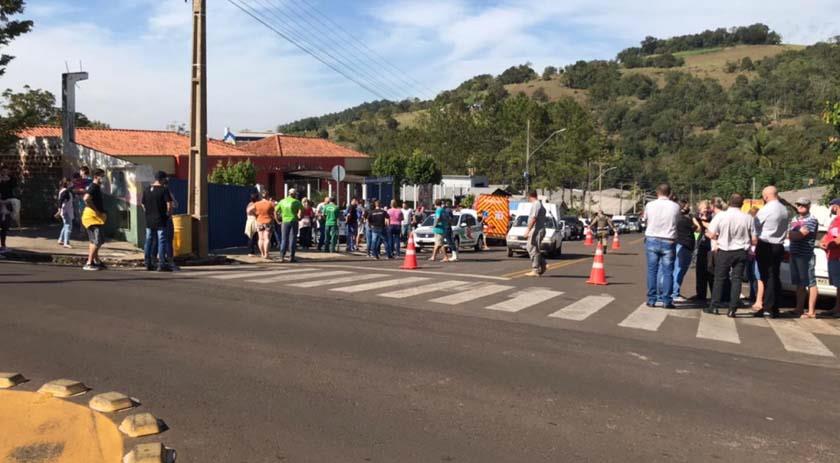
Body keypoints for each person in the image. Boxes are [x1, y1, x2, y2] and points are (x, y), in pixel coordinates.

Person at [706, 193, 757, 317]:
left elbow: (711, 234)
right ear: (742, 203)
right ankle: (732, 308)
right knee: (737, 279)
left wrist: (716, 236)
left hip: (724, 250)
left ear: (729, 202)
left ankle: (715, 306)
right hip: (741, 251)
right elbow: (754, 239)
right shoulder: (748, 217)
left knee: (719, 278)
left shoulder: (721, 216)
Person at [754, 186, 789, 318]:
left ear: (766, 196)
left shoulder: (767, 208)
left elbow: (756, 224)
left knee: (767, 277)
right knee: (774, 275)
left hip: (766, 244)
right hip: (778, 245)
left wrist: (757, 235)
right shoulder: (784, 209)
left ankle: (767, 307)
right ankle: (774, 306)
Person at [643, 183, 680, 308]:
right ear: (669, 193)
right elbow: (677, 221)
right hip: (668, 240)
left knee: (652, 271)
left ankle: (652, 299)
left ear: (657, 192)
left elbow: (645, 219)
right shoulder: (676, 206)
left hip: (652, 238)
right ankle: (667, 300)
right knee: (668, 271)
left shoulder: (649, 205)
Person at [788, 198, 819, 318]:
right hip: (795, 254)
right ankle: (799, 308)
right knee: (799, 283)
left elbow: (800, 235)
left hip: (805, 256)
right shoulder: (794, 218)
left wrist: (794, 234)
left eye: (803, 205)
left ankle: (811, 311)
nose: (800, 206)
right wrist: (794, 234)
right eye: (798, 204)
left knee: (811, 282)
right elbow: (790, 234)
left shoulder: (812, 220)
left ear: (809, 206)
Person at [141, 171, 174, 271]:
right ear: (162, 179)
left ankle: (147, 262)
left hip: (149, 220)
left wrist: (148, 212)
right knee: (161, 240)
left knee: (148, 240)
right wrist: (168, 214)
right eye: (165, 178)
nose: (166, 180)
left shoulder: (146, 190)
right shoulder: (164, 190)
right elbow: (169, 204)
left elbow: (143, 204)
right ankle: (161, 263)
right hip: (161, 219)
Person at [81, 168, 107, 271]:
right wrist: (96, 210)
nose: (104, 179)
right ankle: (89, 262)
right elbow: (86, 198)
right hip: (92, 218)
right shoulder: (94, 187)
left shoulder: (96, 187)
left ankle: (96, 261)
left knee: (96, 241)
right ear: (96, 177)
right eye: (102, 176)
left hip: (94, 218)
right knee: (96, 241)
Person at [671, 199, 697, 303]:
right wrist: (694, 219)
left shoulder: (677, 218)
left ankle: (673, 292)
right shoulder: (685, 220)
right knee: (679, 270)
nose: (689, 208)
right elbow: (697, 227)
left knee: (677, 270)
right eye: (687, 206)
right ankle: (674, 293)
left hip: (682, 245)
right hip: (683, 246)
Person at [820, 198, 840, 317]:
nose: (830, 209)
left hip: (838, 256)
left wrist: (829, 244)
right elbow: (828, 235)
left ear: (835, 206)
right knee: (838, 285)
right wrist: (823, 242)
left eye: (831, 206)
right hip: (832, 256)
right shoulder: (834, 220)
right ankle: (837, 307)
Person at [524, 191, 547, 277]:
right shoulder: (539, 204)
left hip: (536, 229)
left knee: (532, 248)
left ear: (529, 196)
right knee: (533, 248)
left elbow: (534, 218)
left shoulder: (536, 204)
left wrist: (528, 230)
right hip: (538, 229)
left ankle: (536, 269)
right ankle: (543, 264)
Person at [277, 189, 302, 263]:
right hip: (294, 220)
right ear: (294, 194)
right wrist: (299, 217)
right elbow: (301, 211)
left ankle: (282, 256)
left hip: (285, 221)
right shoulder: (296, 201)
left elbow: (276, 211)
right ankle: (292, 257)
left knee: (284, 239)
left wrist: (277, 220)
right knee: (293, 239)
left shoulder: (282, 201)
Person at [746, 206, 764, 308]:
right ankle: (752, 295)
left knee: (755, 276)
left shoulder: (758, 226)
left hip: (755, 253)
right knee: (751, 275)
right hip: (750, 253)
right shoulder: (752, 226)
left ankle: (755, 296)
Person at [254, 193, 275, 259]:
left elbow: (249, 210)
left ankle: (262, 254)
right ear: (268, 196)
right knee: (267, 238)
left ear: (261, 196)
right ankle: (266, 254)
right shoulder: (271, 203)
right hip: (268, 221)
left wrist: (256, 214)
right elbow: (276, 211)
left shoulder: (257, 203)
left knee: (260, 238)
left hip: (259, 221)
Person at [57, 178, 74, 248]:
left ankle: (61, 239)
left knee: (65, 226)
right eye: (70, 183)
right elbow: (60, 201)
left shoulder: (65, 191)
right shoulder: (65, 191)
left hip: (66, 211)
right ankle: (66, 242)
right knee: (68, 226)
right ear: (67, 183)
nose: (71, 184)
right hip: (66, 211)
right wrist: (59, 210)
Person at [245, 192, 260, 257]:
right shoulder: (254, 205)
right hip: (254, 221)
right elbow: (256, 213)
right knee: (253, 237)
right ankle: (251, 252)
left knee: (251, 236)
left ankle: (251, 251)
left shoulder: (249, 204)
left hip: (249, 221)